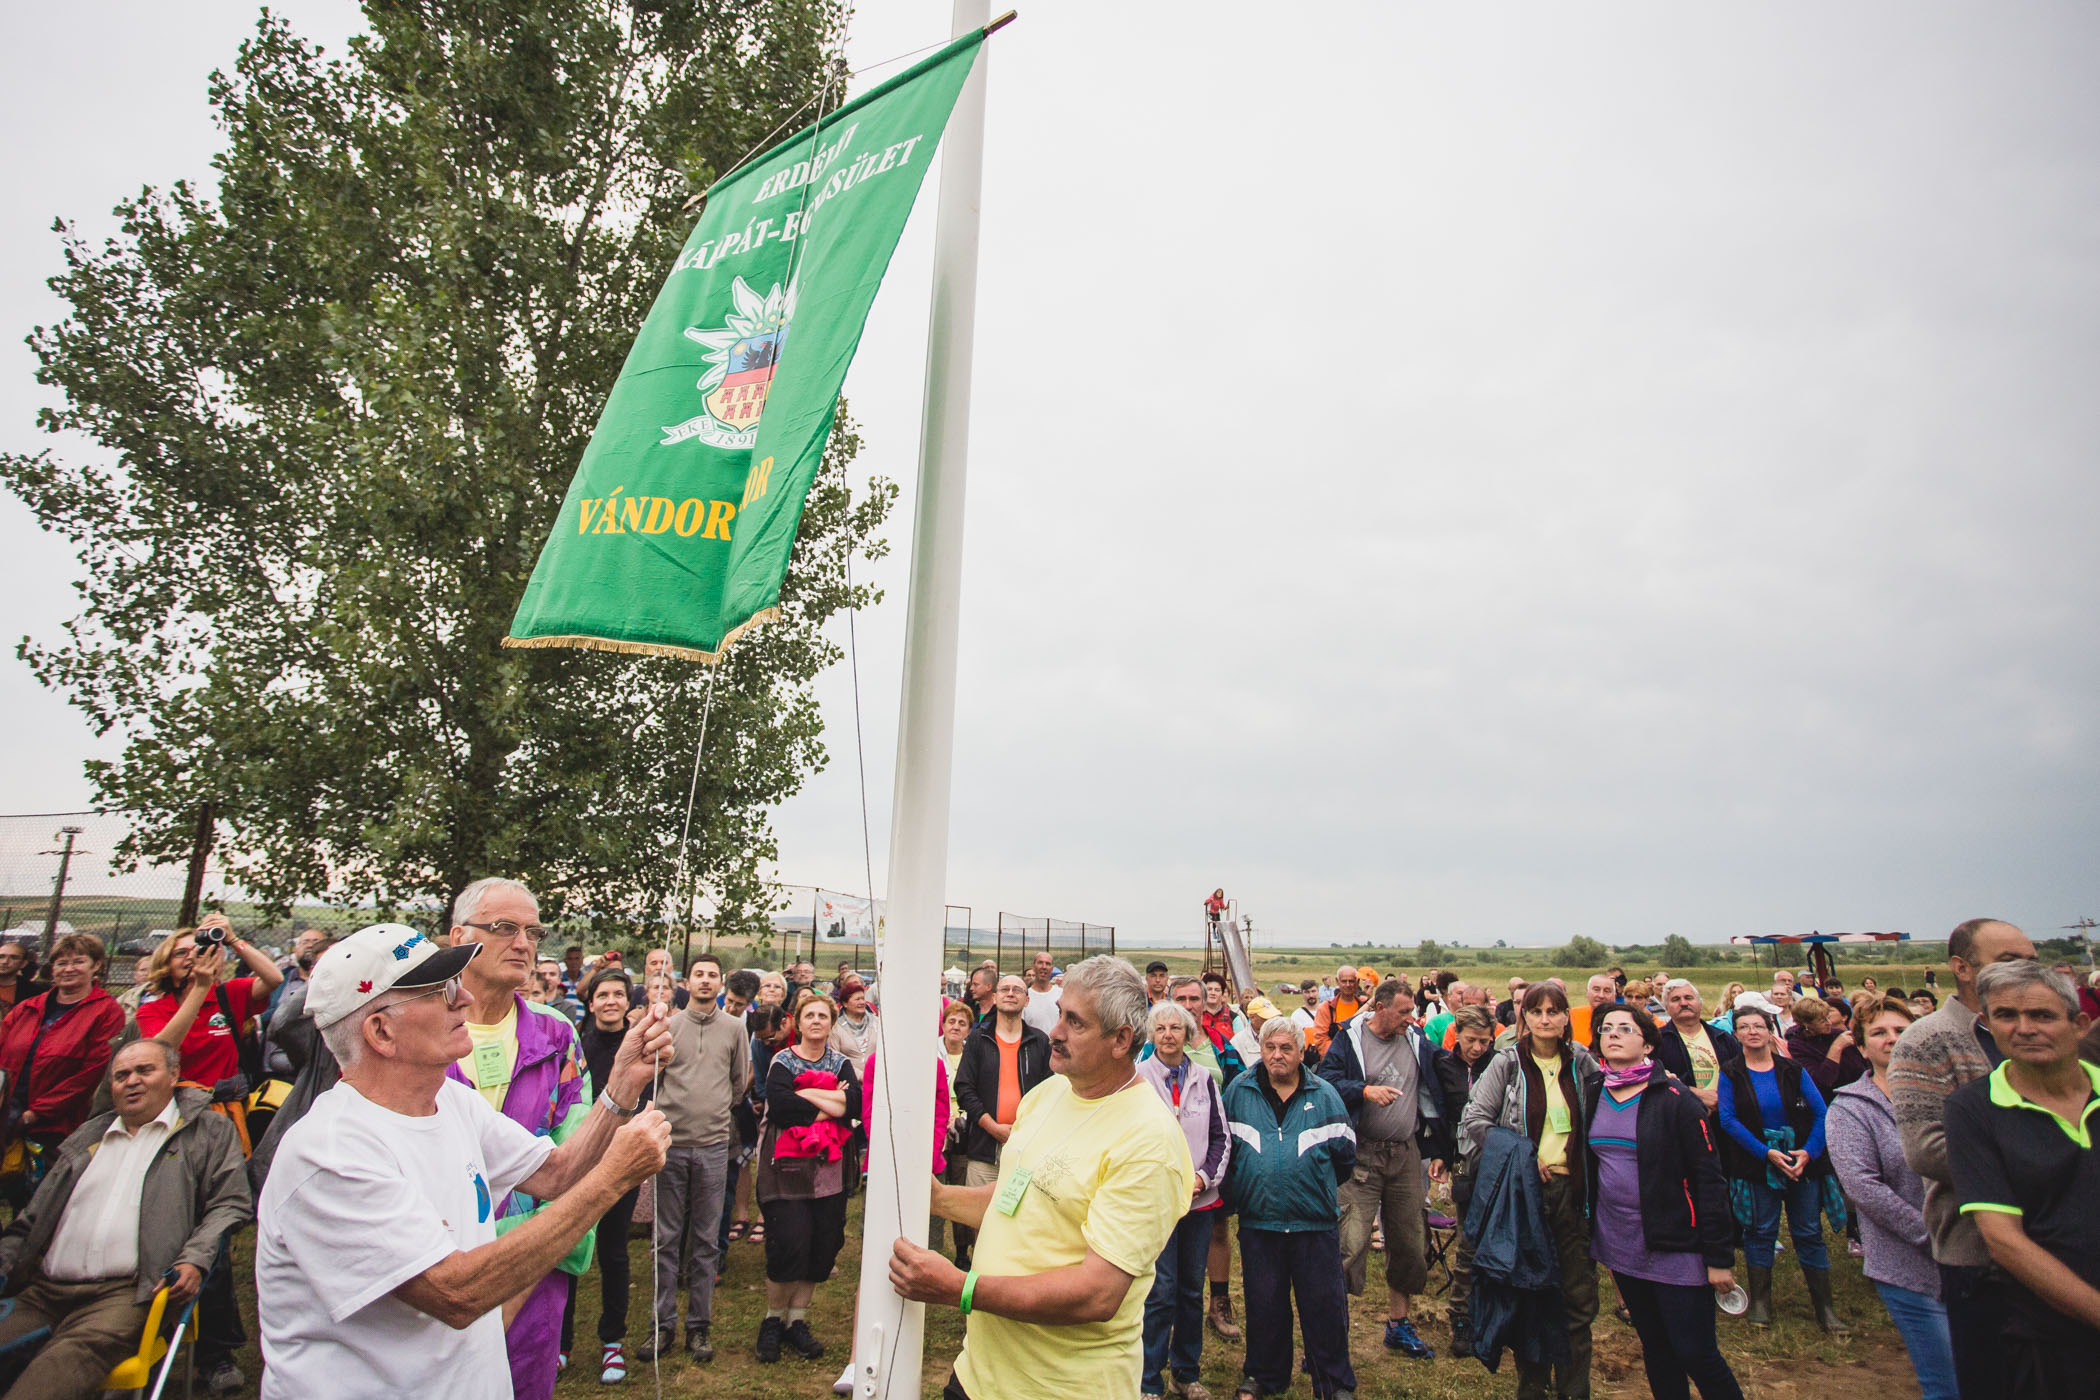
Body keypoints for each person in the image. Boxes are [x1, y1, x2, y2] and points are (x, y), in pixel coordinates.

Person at [255, 922, 673, 1400]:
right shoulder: (331, 1153)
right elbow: (456, 1293)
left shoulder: (451, 1101)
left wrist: (622, 1085)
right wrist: (611, 1180)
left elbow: (556, 1173)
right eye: (439, 991)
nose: (465, 999)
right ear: (381, 1032)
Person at [891, 956, 1193, 1400]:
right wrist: (936, 1198)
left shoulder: (1148, 1141)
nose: (1055, 1032)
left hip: (1062, 1388)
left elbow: (1097, 1294)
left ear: (1121, 1040)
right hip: (977, 1375)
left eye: (1075, 1022)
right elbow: (1014, 1197)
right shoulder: (1052, 1090)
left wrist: (961, 1288)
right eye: (1059, 1014)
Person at [0, 1040, 251, 1399]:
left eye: (144, 1071)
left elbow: (230, 1203)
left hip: (126, 1294)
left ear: (174, 1075)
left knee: (46, 1379)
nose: (132, 1081)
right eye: (121, 1076)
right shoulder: (88, 1136)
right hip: (43, 1291)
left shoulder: (207, 1130)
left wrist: (195, 1257)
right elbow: (31, 1218)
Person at [441, 878, 601, 1397]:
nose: (523, 943)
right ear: (459, 937)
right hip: (433, 1262)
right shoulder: (419, 1026)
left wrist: (536, 1252)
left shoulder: (556, 1035)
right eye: (505, 928)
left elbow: (576, 1157)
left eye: (533, 932)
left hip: (537, 1262)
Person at [1891, 917, 2038, 1400]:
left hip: (2062, 1240)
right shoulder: (1928, 1040)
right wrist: (2045, 1167)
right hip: (1980, 1253)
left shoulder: (2045, 1034)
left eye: (2032, 961)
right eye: (2008, 960)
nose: (2025, 971)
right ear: (1963, 968)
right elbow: (1926, 1149)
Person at [134, 914, 282, 1392]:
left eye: (197, 949)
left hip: (224, 1120)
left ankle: (216, 1352)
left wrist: (233, 939)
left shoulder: (227, 996)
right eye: (181, 953)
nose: (192, 958)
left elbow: (273, 979)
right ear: (165, 963)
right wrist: (197, 990)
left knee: (215, 1225)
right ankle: (154, 1328)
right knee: (173, 1222)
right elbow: (160, 1051)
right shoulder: (155, 1007)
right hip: (175, 1120)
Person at [1945, 961, 2100, 1398]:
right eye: (2006, 1015)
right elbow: (2004, 1240)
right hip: (2052, 1339)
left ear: (2079, 1025)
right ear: (1988, 1025)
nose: (2024, 1028)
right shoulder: (1974, 1110)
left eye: (2042, 1015)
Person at [1580, 1004, 1744, 1400]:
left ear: (1649, 1045)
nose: (1613, 1034)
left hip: (1675, 1242)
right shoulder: (1594, 1091)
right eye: (1606, 1028)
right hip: (1621, 1242)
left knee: (1696, 1352)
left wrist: (1719, 1257)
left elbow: (1709, 1181)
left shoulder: (1675, 1098)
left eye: (1625, 1028)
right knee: (1655, 1346)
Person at [1459, 980, 1599, 1400]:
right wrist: (1522, 1155)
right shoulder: (1507, 1064)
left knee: (1577, 1298)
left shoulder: (1582, 1062)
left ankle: (1574, 1390)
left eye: (1553, 1011)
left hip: (1573, 1192)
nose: (1544, 1019)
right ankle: (1532, 1387)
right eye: (1536, 1011)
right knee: (1531, 1292)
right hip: (1525, 1194)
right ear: (1524, 1018)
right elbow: (1475, 1120)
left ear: (1566, 1017)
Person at [1221, 1016, 1357, 1400]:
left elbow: (1345, 1157)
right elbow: (1227, 1151)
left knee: (1324, 1307)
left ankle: (1333, 1382)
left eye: (1286, 1048)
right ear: (1261, 1050)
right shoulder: (1238, 1092)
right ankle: (1264, 1375)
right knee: (1264, 1304)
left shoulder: (1325, 1095)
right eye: (1270, 1048)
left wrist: (1311, 1188)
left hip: (1313, 1223)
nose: (1277, 1055)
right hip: (1259, 1221)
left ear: (1300, 1052)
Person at [1826, 995, 1954, 1400]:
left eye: (1901, 1029)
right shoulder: (1851, 1108)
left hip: (1974, 1253)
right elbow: (1863, 1186)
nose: (1892, 1038)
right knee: (1948, 1382)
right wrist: (1932, 1235)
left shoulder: (1949, 1095)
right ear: (1862, 1048)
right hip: (1907, 1264)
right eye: (1879, 1032)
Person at [1316, 977, 1442, 1359]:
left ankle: (1398, 1326)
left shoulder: (1416, 1040)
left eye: (1412, 1011)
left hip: (1406, 1155)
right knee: (1348, 1244)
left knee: (1409, 1243)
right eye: (1403, 1012)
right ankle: (1328, 1336)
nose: (1410, 1018)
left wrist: (1440, 1147)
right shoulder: (1349, 1039)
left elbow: (1441, 1081)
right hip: (1361, 1158)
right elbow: (1325, 1082)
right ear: (1380, 1008)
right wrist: (1364, 1091)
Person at [640, 953, 750, 1364]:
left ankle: (699, 1325)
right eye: (698, 974)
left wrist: (713, 1110)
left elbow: (738, 1083)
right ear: (687, 982)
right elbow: (655, 1079)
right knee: (665, 1238)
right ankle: (662, 1323)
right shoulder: (668, 1026)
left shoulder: (735, 1029)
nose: (705, 981)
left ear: (721, 983)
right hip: (671, 1143)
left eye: (712, 975)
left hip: (713, 1145)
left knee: (705, 1240)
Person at [1715, 1002, 1844, 1332]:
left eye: (1758, 1025)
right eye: (1744, 1027)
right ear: (1736, 1033)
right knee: (1760, 1232)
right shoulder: (1731, 1072)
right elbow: (1728, 1120)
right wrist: (1765, 1153)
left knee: (1809, 1232)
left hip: (1801, 1163)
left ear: (1770, 1030)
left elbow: (1821, 1112)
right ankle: (1760, 1304)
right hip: (1757, 1165)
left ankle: (1825, 1309)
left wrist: (1808, 1153)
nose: (1752, 1032)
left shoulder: (1793, 1069)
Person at [754, 992, 857, 1364]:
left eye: (823, 1016)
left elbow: (854, 1104)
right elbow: (782, 1107)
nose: (816, 1021)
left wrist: (806, 1094)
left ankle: (796, 1320)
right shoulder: (782, 1061)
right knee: (789, 1243)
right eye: (809, 1015)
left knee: (821, 1246)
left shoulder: (841, 1063)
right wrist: (830, 1101)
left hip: (829, 1171)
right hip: (786, 1171)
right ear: (797, 1023)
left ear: (831, 1023)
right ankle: (773, 1319)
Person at [1135, 999, 1229, 1400]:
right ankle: (1148, 1380)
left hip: (1198, 1203)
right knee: (1160, 1291)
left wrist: (1203, 1177)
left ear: (1188, 1034)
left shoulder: (1204, 1079)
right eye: (1161, 1029)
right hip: (1157, 1203)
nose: (1168, 1035)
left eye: (1176, 1028)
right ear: (1151, 1036)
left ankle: (1186, 1374)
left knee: (1191, 1290)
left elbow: (1221, 1137)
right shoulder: (1137, 1078)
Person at [0, 934, 124, 1207]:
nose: (68, 969)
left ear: (96, 966)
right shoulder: (27, 1008)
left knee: (38, 1205)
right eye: (61, 963)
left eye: (78, 961)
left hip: (55, 1126)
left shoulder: (106, 1012)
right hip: (6, 1116)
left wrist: (35, 1114)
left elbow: (90, 1075)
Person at [571, 969, 647, 1384]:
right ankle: (561, 1342)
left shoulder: (639, 1050)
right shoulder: (578, 1047)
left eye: (619, 994)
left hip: (620, 1161)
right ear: (592, 1002)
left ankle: (612, 1340)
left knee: (613, 1252)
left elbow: (645, 1102)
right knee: (568, 1248)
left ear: (627, 1001)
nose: (611, 1001)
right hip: (579, 1160)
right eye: (603, 994)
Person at [951, 974, 1051, 1271]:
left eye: (1017, 990)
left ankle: (1014, 1275)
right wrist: (991, 1125)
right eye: (1004, 989)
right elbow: (964, 1088)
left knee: (1021, 1215)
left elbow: (1051, 1090)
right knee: (980, 1218)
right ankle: (981, 1275)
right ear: (994, 997)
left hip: (1026, 1147)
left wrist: (1025, 1130)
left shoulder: (1039, 1042)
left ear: (1026, 1000)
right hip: (984, 1146)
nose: (1010, 993)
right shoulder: (978, 1040)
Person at [1433, 1003, 1498, 1356]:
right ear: (1457, 1035)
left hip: (1496, 1160)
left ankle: (1497, 1314)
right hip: (1461, 1162)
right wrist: (1441, 1155)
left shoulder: (1499, 1064)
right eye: (1471, 1040)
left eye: (1484, 1041)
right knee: (1468, 1235)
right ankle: (1461, 1316)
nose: (1477, 1048)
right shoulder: (1442, 1065)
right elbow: (1440, 1114)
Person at [932, 999, 979, 1266]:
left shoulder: (972, 1055)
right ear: (943, 1024)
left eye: (962, 1023)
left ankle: (962, 1251)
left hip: (963, 1130)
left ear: (969, 1030)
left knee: (960, 1190)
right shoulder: (931, 1052)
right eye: (951, 1021)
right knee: (935, 1187)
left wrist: (961, 1118)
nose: (956, 1027)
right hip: (935, 1127)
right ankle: (931, 1245)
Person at [1653, 979, 1737, 1112]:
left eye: (1688, 998)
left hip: (1723, 1115)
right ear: (1666, 1007)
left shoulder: (1723, 1038)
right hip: (1679, 1115)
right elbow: (1653, 1080)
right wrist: (1695, 1094)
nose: (1683, 1003)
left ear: (1700, 1003)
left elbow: (1741, 1077)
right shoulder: (1656, 1041)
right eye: (1675, 999)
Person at [1787, 994, 1867, 1099]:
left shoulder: (1838, 1034)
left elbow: (1864, 1066)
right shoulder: (1797, 1045)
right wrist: (1837, 1047)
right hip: (1831, 1099)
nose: (1829, 1023)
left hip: (1860, 1093)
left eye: (1828, 1018)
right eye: (1822, 1021)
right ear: (1806, 1024)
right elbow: (1824, 1080)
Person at [1305, 965, 1364, 1058]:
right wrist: (1340, 1056)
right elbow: (1321, 1039)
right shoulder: (1326, 1008)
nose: (1348, 985)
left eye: (1351, 981)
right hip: (1334, 1060)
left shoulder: (1364, 1007)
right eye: (1344, 981)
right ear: (1337, 981)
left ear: (1357, 982)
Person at [829, 978, 876, 1074]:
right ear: (845, 1003)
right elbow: (834, 1058)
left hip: (876, 1077)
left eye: (863, 998)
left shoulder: (876, 1022)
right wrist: (860, 1075)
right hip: (849, 1078)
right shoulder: (836, 1028)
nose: (862, 1002)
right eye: (857, 999)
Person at [1567, 973, 1619, 1053]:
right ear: (1587, 992)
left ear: (1615, 995)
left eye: (1607, 991)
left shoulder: (1624, 1018)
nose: (1601, 995)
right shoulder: (1571, 1015)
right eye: (1596, 990)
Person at [0, 940, 50, 1017]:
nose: (5, 961)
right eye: (1, 957)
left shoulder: (35, 992)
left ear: (23, 964)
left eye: (14, 957)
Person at [1020, 952, 1062, 1036]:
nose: (1044, 967)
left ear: (1052, 968)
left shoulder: (1061, 994)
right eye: (1040, 963)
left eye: (1048, 964)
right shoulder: (1024, 997)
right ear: (1033, 967)